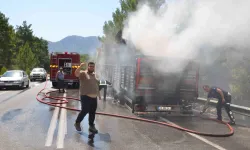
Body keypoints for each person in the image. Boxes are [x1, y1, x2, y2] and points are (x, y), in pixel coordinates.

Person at [74, 62, 101, 133]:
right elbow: (76, 73)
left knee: (92, 112)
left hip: (94, 97)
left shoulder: (95, 75)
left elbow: (96, 85)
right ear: (88, 67)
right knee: (85, 110)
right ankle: (77, 123)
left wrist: (99, 95)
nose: (91, 67)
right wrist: (80, 66)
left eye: (93, 66)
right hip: (85, 96)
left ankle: (91, 126)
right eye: (90, 66)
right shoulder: (83, 73)